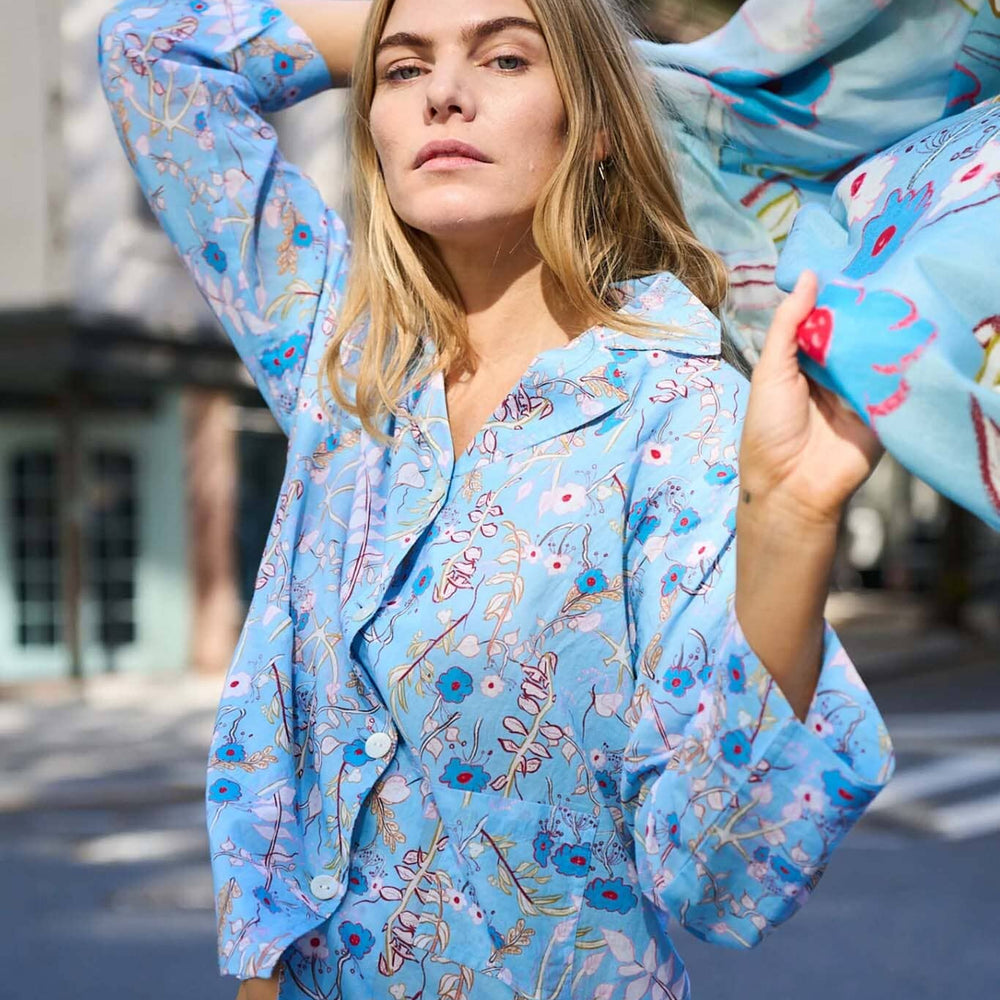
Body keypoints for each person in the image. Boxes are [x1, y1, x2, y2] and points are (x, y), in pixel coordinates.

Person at [97, 1, 896, 998]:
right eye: (402, 73)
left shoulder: (680, 409)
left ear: (596, 123)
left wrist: (790, 518)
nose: (442, 93)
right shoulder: (346, 359)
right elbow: (153, 55)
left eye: (505, 60)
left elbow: (710, 872)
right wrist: (430, 18)